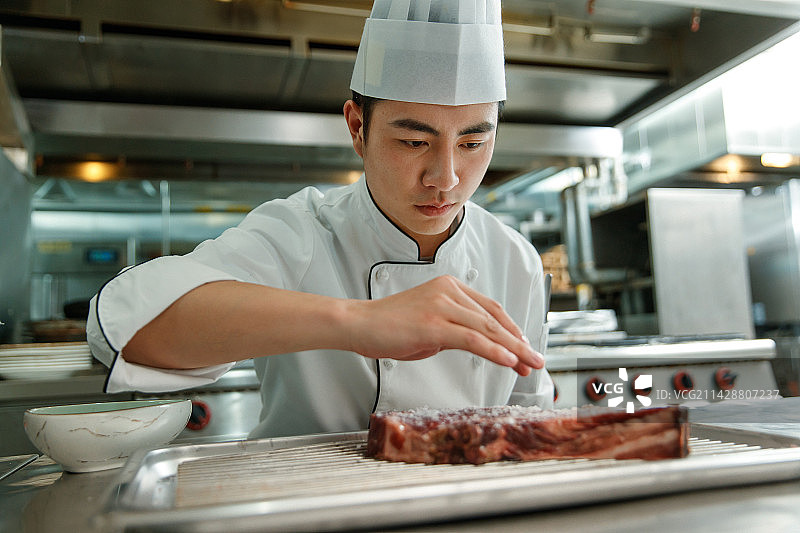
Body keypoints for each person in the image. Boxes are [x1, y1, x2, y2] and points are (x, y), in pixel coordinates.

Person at [86, 0, 554, 438]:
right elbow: (130, 330)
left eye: (472, 144)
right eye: (414, 142)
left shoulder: (515, 260)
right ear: (357, 127)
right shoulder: (299, 232)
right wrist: (357, 321)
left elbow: (530, 417)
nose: (445, 178)